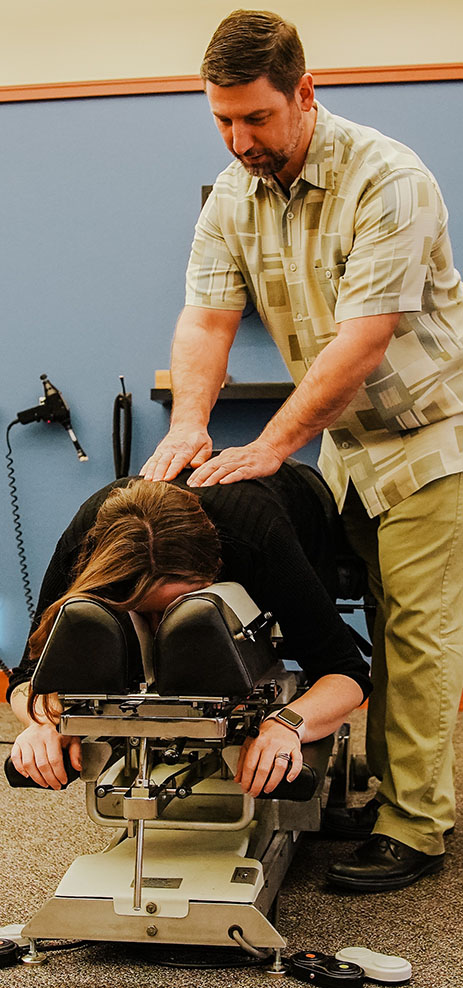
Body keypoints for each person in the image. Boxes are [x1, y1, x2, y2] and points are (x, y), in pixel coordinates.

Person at [140, 10, 463, 892]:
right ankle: (392, 789)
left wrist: (272, 446)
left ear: (305, 93)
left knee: (417, 634)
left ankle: (416, 826)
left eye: (255, 118)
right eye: (222, 119)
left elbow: (363, 341)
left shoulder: (388, 179)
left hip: (429, 436)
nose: (239, 139)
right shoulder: (234, 197)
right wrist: (187, 424)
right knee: (354, 621)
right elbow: (207, 317)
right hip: (348, 450)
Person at [8, 463, 370, 800]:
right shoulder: (89, 540)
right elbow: (27, 676)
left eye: (172, 609)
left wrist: (287, 724)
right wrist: (43, 721)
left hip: (296, 500)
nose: (159, 629)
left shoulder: (259, 538)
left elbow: (345, 673)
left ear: (214, 569)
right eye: (145, 612)